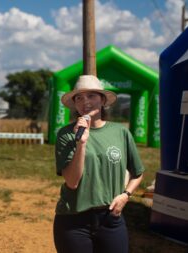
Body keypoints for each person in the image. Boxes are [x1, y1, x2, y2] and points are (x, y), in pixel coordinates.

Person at [53, 75, 144, 253]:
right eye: (79, 97)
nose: (85, 101)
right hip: (73, 221)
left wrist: (126, 195)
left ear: (103, 100)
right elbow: (72, 182)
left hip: (111, 219)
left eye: (91, 96)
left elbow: (137, 172)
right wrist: (82, 142)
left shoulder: (121, 133)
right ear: (75, 104)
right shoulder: (66, 134)